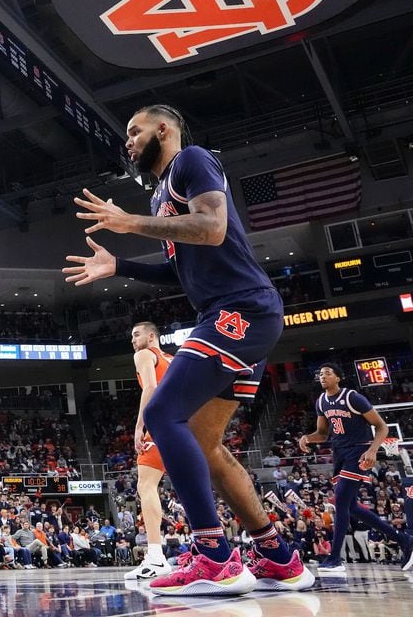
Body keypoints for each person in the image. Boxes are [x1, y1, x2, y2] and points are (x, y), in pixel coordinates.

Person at [64, 104, 313, 595]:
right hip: (233, 315)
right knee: (205, 444)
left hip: (238, 309)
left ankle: (215, 556)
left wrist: (129, 224)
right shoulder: (161, 195)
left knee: (160, 415)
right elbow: (180, 264)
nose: (128, 141)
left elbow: (212, 228)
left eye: (135, 131)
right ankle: (277, 556)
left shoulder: (192, 160)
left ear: (165, 129)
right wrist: (121, 267)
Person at [298, 363, 413, 574]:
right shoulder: (321, 402)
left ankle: (335, 558)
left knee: (340, 499)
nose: (322, 376)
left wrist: (372, 450)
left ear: (338, 377)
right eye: (320, 373)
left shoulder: (352, 398)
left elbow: (382, 427)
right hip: (339, 453)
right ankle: (404, 540)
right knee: (351, 507)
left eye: (327, 373)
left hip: (359, 452)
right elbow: (322, 434)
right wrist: (308, 438)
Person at [124, 321, 174, 580]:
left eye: (136, 334)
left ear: (151, 335)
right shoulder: (173, 358)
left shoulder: (144, 354)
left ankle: (156, 557)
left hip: (161, 424)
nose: (132, 340)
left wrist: (139, 426)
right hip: (182, 425)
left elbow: (151, 387)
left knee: (146, 486)